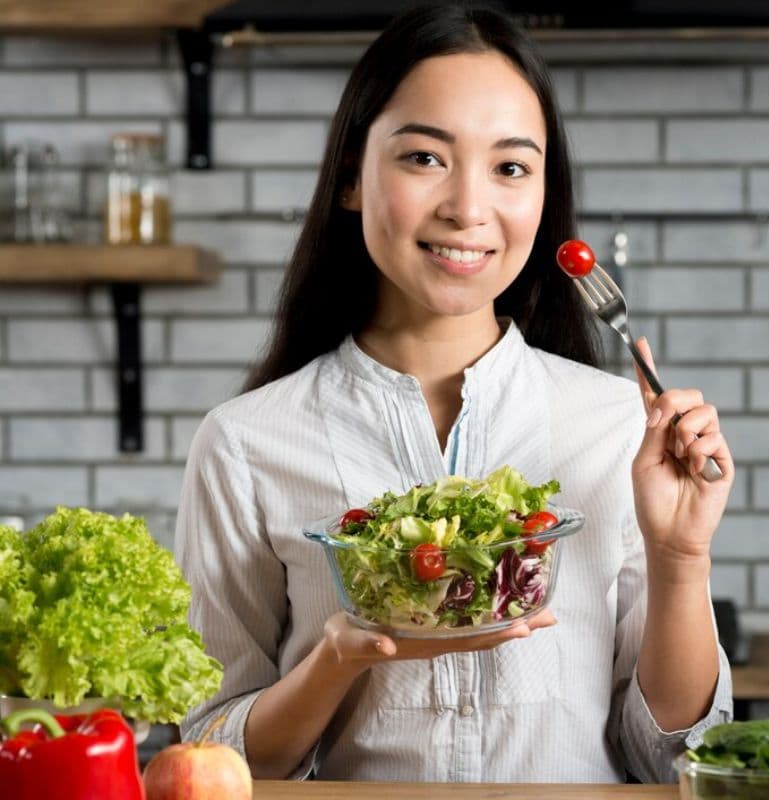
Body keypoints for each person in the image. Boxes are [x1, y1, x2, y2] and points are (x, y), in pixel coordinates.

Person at [176, 2, 734, 785]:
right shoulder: (244, 442)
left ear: (544, 200)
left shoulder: (614, 426)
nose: (468, 209)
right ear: (349, 179)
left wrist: (682, 559)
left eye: (510, 168)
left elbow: (673, 759)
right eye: (424, 159)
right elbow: (210, 762)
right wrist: (338, 658)